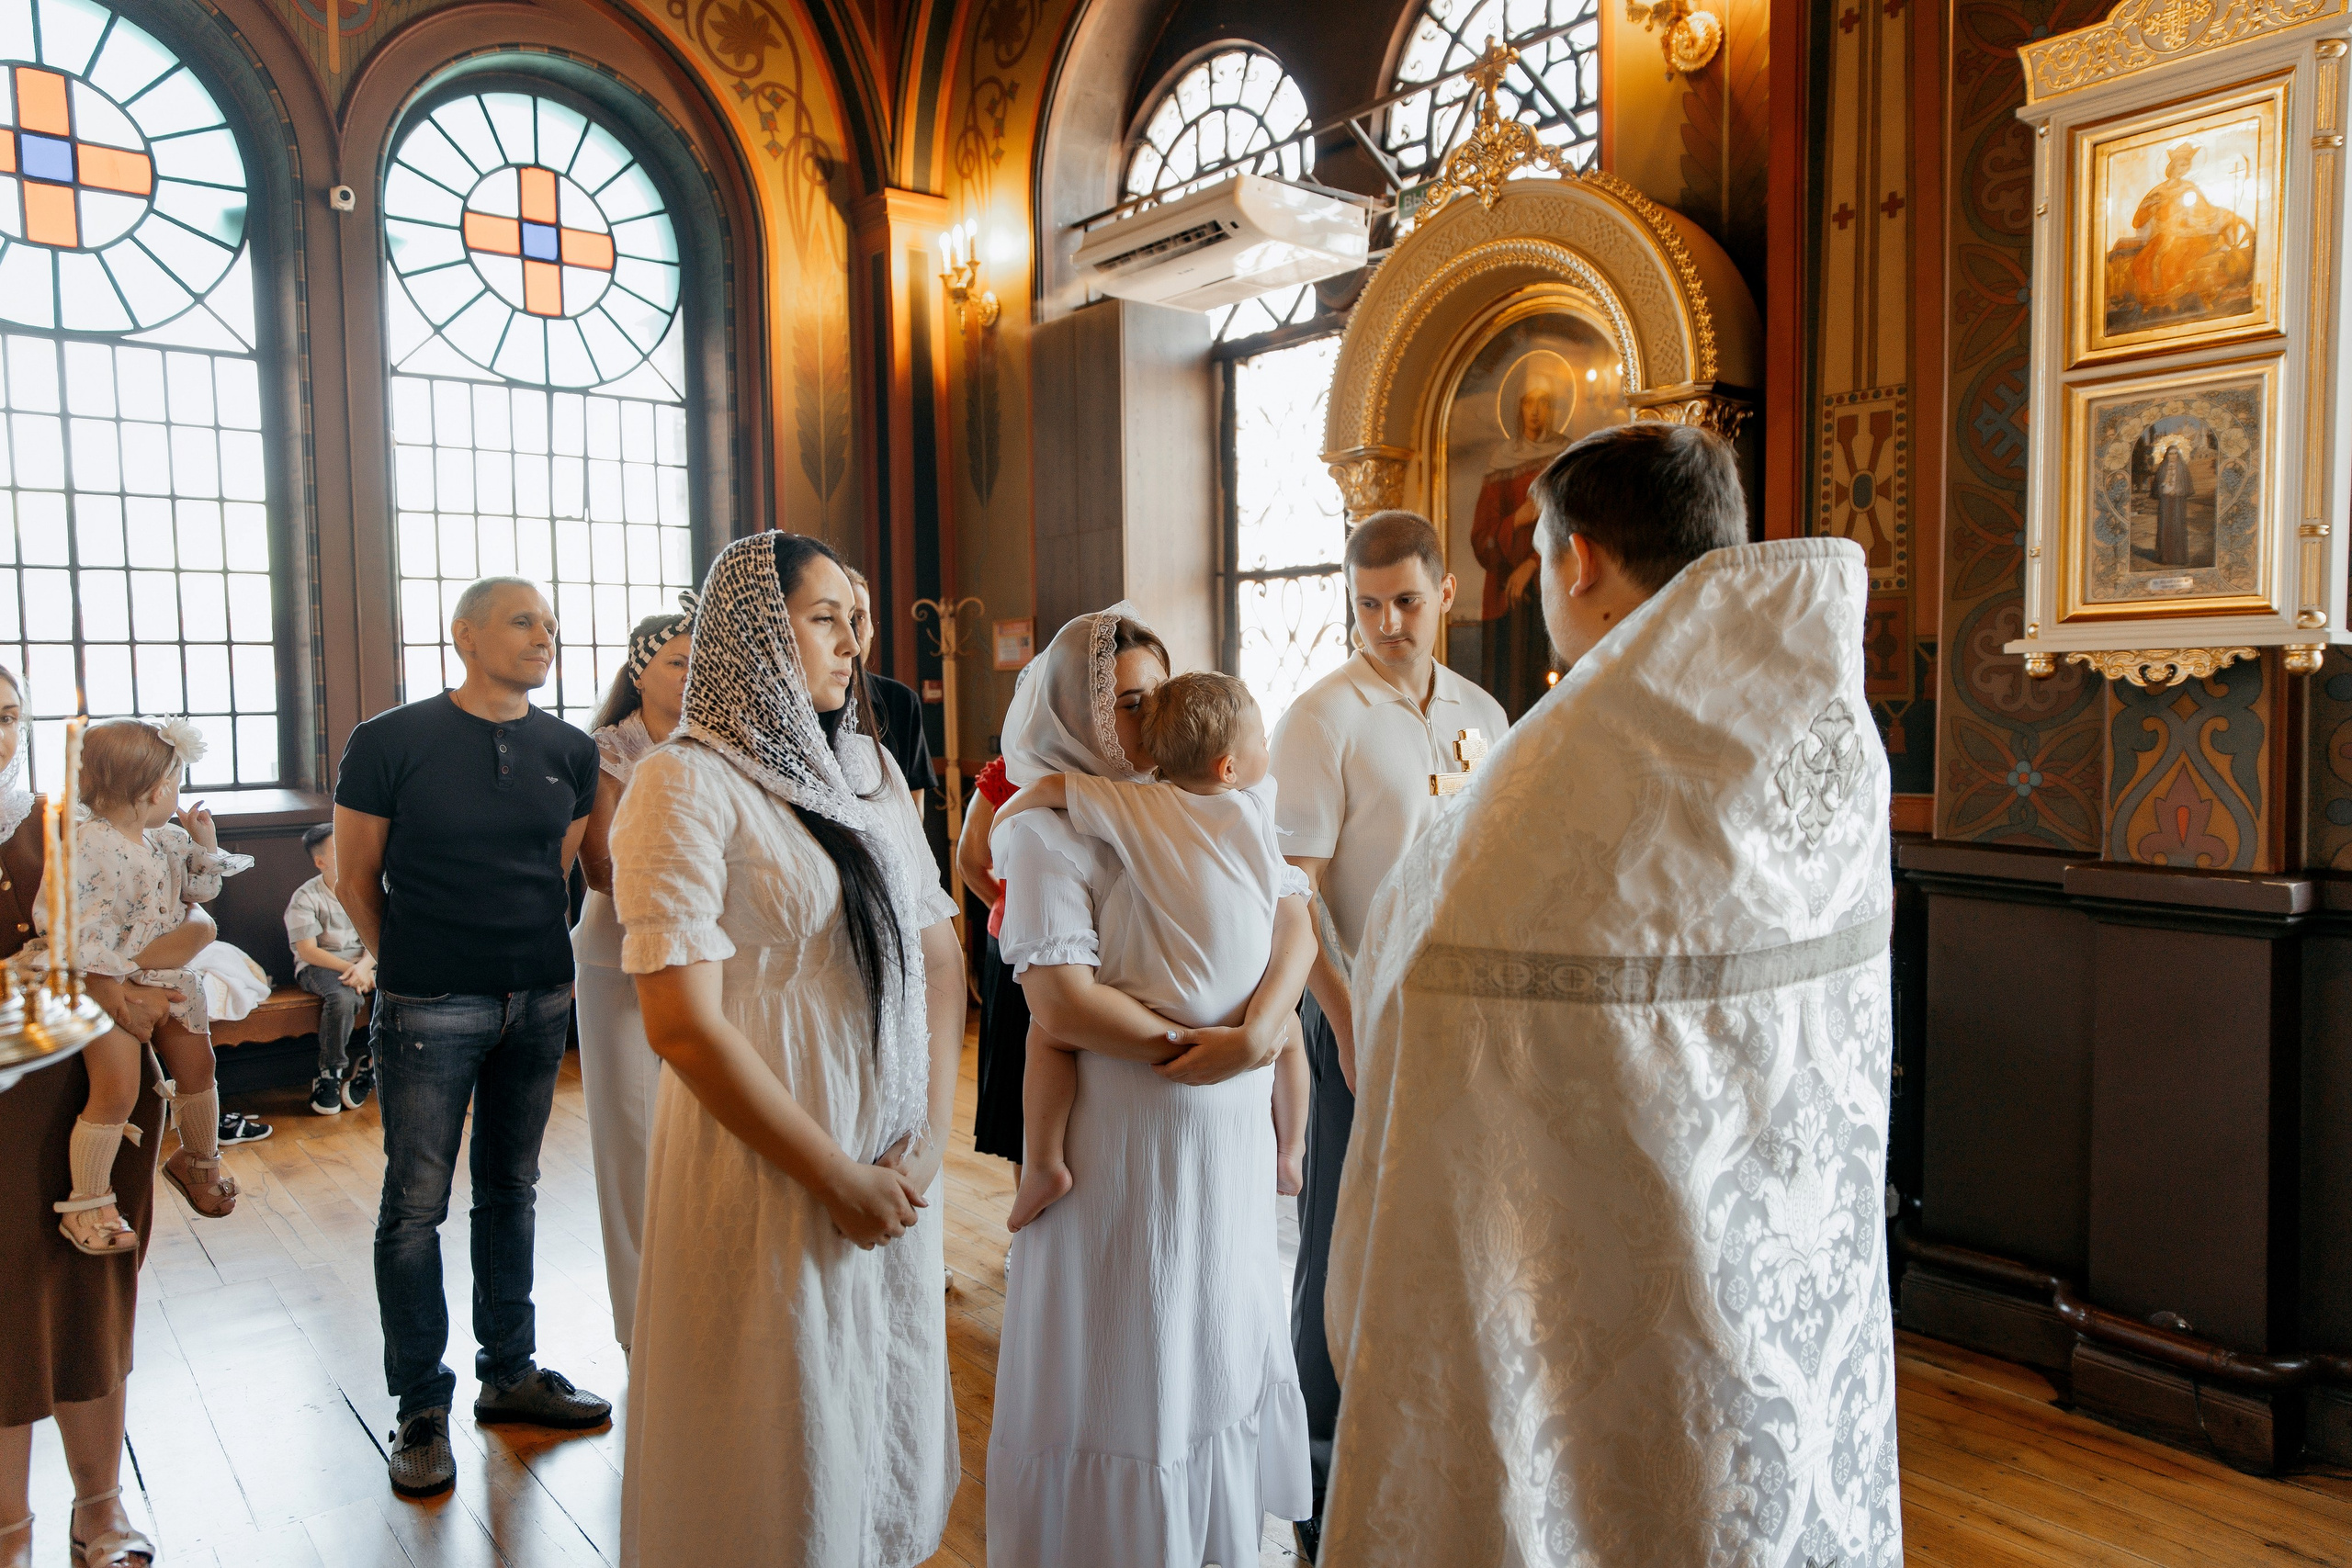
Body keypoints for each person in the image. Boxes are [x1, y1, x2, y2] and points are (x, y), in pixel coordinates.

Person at [1322, 423, 1901, 1566]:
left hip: (1604, 1294)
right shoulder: (1832, 731)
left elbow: (1419, 970)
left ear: (1578, 560)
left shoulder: (1569, 765)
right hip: (1787, 1288)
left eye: (1537, 560)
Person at [612, 534, 964, 1567]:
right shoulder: (684, 782)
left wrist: (930, 1139)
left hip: (890, 1143)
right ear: (757, 635)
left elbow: (937, 953)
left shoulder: (870, 767)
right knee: (781, 1417)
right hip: (772, 1149)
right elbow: (680, 1022)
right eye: (825, 618)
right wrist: (831, 1172)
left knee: (879, 1394)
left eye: (857, 619)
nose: (854, 642)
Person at [985, 605, 1317, 1568]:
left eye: (1159, 699)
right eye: (1129, 704)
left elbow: (1295, 910)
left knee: (1215, 1334)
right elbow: (1062, 1005)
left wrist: (1259, 1031)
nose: (1149, 723)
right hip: (1127, 1132)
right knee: (1136, 1351)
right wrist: (1202, 1043)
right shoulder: (1050, 829)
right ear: (1079, 711)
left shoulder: (1211, 806)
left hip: (1227, 1129)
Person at [334, 575, 612, 1501]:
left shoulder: (570, 749)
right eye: (524, 621)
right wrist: (409, 968)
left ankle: (510, 1372)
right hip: (429, 1002)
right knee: (414, 1207)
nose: (546, 637)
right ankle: (420, 1404)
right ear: (464, 636)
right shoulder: (389, 741)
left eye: (552, 625)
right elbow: (356, 877)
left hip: (537, 996)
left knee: (512, 1189)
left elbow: (558, 870)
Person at [1267, 509, 1508, 1559]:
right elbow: (1294, 894)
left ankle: (1430, 1432)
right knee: (1337, 1233)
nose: (1386, 624)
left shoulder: (1485, 713)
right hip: (1355, 1014)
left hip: (1464, 1022)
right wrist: (1345, 1015)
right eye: (1367, 606)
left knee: (1444, 1234)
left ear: (1446, 592)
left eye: (1406, 601)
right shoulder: (1321, 718)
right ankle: (1321, 1464)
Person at [991, 670, 1309, 1231]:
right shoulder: (1257, 810)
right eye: (1262, 741)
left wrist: (1009, 810)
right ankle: (1289, 1151)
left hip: (1160, 1005)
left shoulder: (1134, 807)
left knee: (1047, 1036)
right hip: (1242, 1009)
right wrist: (1256, 1031)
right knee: (1291, 1037)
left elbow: (1054, 790)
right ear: (1229, 767)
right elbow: (1294, 913)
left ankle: (1042, 1163)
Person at [0, 668, 187, 1568]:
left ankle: (99, 1510)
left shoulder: (63, 823)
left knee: (90, 1292)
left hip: (80, 1085)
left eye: (6, 713)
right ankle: (9, 1530)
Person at [28, 716, 253, 1252]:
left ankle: (198, 1159)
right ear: (155, 789)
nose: (175, 795)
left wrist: (205, 844)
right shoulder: (88, 844)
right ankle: (88, 1200)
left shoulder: (164, 839)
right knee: (117, 1088)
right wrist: (115, 999)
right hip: (102, 981)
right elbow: (74, 927)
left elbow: (197, 893)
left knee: (199, 1065)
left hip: (167, 975)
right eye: (174, 783)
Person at [573, 597, 694, 1352]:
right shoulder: (605, 749)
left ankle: (701, 1306)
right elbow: (604, 865)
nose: (690, 676)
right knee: (630, 1134)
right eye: (677, 661)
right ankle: (641, 1328)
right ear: (640, 668)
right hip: (618, 949)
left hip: (710, 955)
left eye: (699, 662)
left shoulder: (723, 742)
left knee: (699, 1135)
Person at [955, 756, 1027, 1173]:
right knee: (1022, 1096)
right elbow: (969, 859)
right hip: (1014, 947)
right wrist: (1011, 910)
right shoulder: (1006, 771)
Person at [286, 821, 376, 1117]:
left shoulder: (370, 887)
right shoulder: (306, 897)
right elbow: (308, 950)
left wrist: (364, 966)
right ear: (321, 861)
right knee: (344, 998)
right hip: (321, 963)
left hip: (368, 960)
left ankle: (373, 1065)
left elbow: (381, 935)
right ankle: (330, 1072)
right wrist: (353, 970)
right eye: (341, 848)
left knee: (405, 992)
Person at [845, 566, 935, 814]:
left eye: (860, 617)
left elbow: (915, 800)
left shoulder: (902, 702)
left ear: (872, 629)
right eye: (842, 616)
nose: (852, 628)